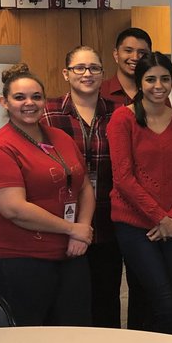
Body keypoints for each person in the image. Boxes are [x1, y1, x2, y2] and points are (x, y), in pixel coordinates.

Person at [0, 63, 93, 326]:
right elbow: (14, 209)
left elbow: (84, 185)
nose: (29, 103)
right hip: (18, 256)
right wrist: (71, 229)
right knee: (29, 333)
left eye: (36, 97)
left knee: (75, 328)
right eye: (19, 97)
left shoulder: (60, 137)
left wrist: (82, 228)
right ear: (4, 102)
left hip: (69, 251)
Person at [106, 52, 172, 335]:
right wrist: (160, 217)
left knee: (150, 299)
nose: (159, 85)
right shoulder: (123, 119)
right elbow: (123, 178)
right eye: (150, 79)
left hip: (170, 226)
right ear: (139, 82)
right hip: (133, 225)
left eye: (165, 79)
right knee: (165, 303)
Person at [41, 45, 121, 328]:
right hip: (63, 220)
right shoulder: (48, 113)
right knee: (69, 298)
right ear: (66, 73)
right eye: (79, 68)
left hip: (108, 219)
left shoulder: (119, 112)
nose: (87, 74)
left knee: (106, 296)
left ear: (102, 73)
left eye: (94, 68)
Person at [100, 27, 152, 105]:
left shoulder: (155, 92)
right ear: (116, 54)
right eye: (128, 51)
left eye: (142, 53)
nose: (135, 58)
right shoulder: (100, 92)